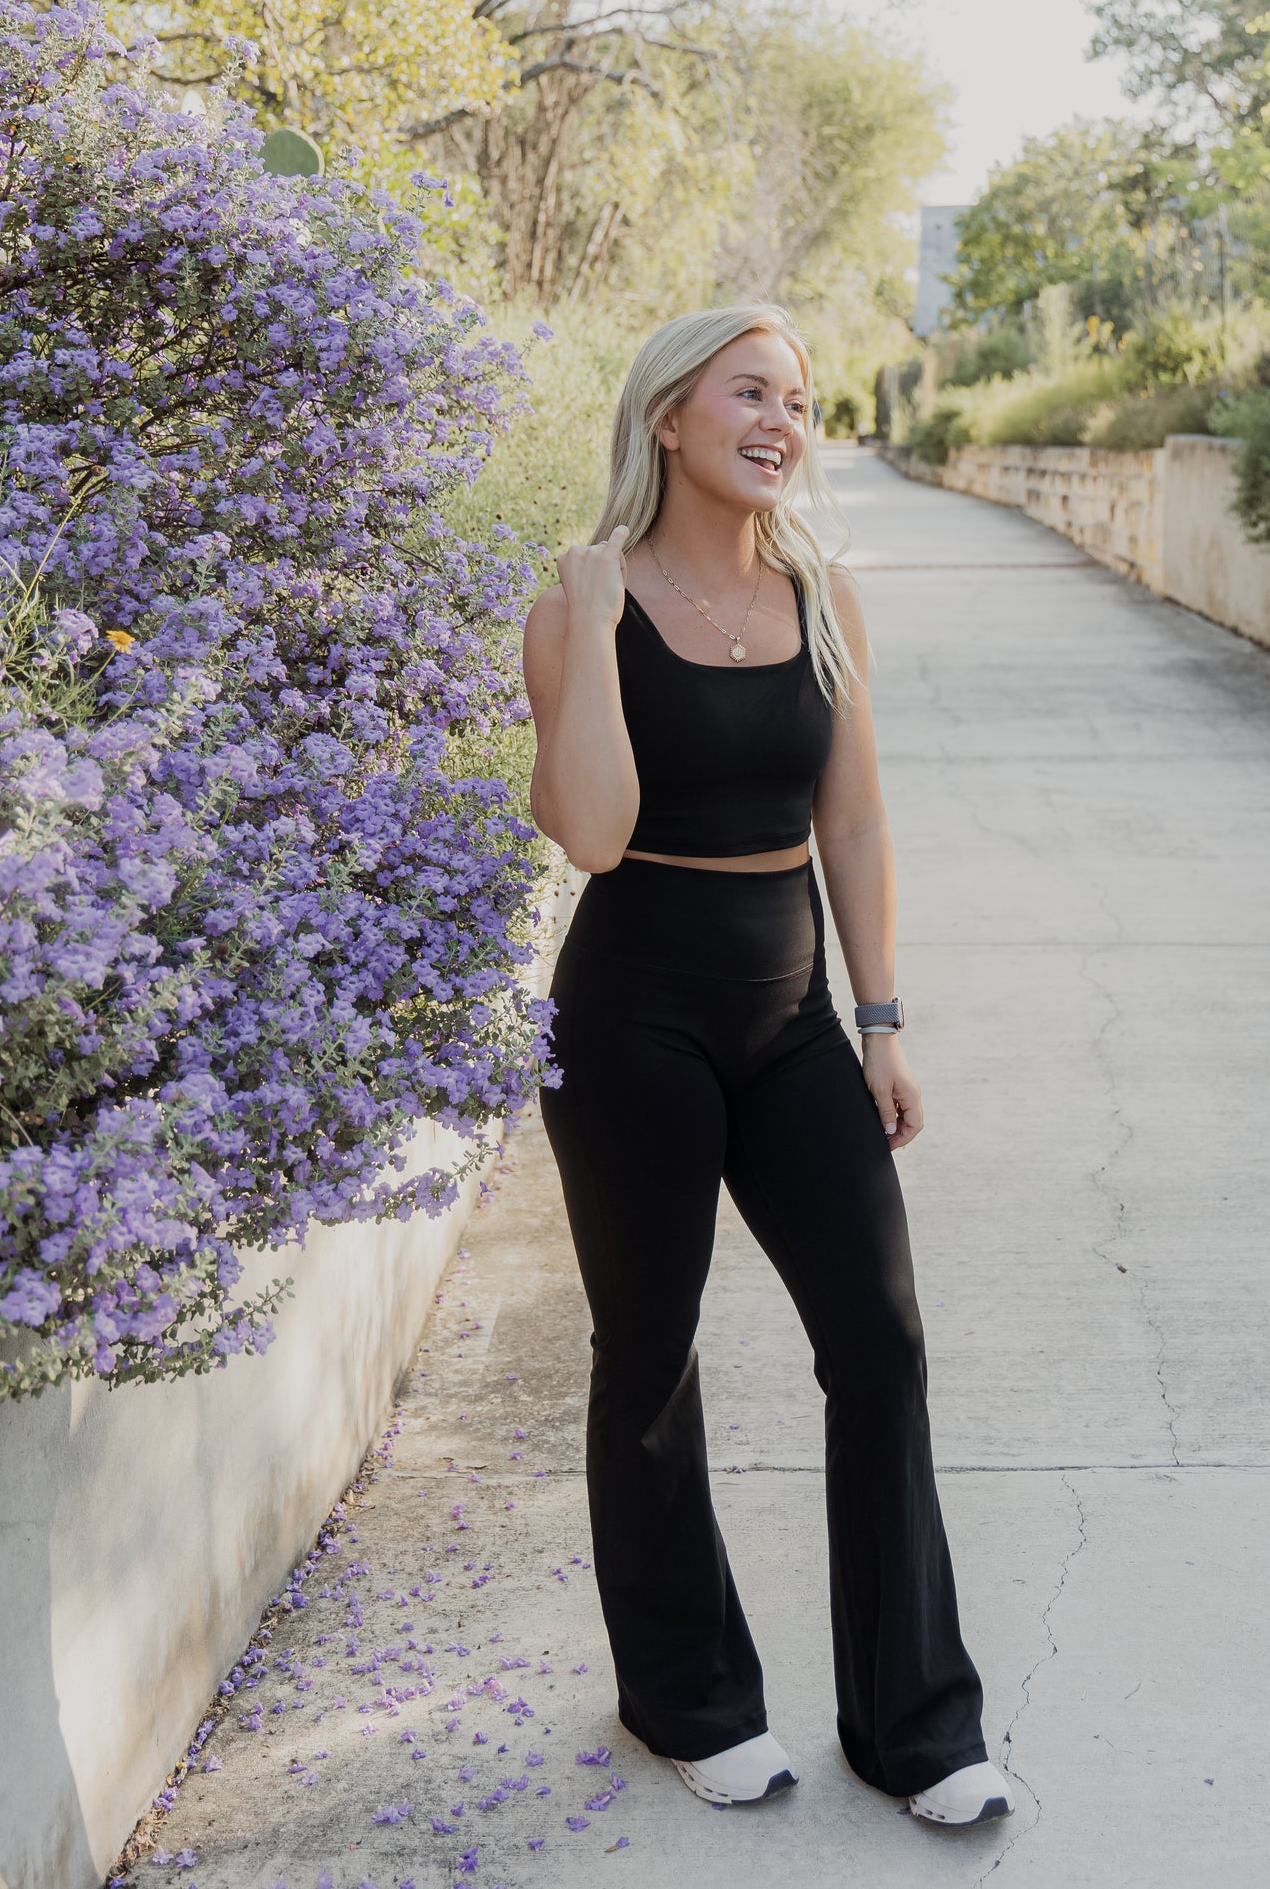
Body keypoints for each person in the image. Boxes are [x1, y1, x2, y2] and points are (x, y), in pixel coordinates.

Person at [522, 304, 1013, 1830]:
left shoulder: (822, 596)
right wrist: (596, 626)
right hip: (634, 1014)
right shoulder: (576, 599)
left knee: (880, 1344)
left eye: (799, 401)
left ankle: (914, 1723)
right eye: (751, 392)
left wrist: (881, 1018)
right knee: (649, 1356)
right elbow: (591, 833)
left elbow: (853, 824)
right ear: (668, 414)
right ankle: (686, 1697)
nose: (782, 421)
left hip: (795, 1012)